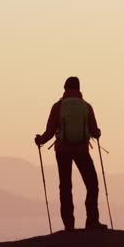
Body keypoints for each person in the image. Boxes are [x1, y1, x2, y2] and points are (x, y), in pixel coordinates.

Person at [35, 76, 107, 231]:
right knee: (92, 184)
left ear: (65, 88)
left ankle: (69, 225)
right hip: (82, 150)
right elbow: (95, 132)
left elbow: (50, 131)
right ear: (79, 89)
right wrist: (98, 133)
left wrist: (40, 140)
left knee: (66, 186)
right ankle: (92, 221)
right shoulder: (86, 107)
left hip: (62, 150)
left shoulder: (58, 106)